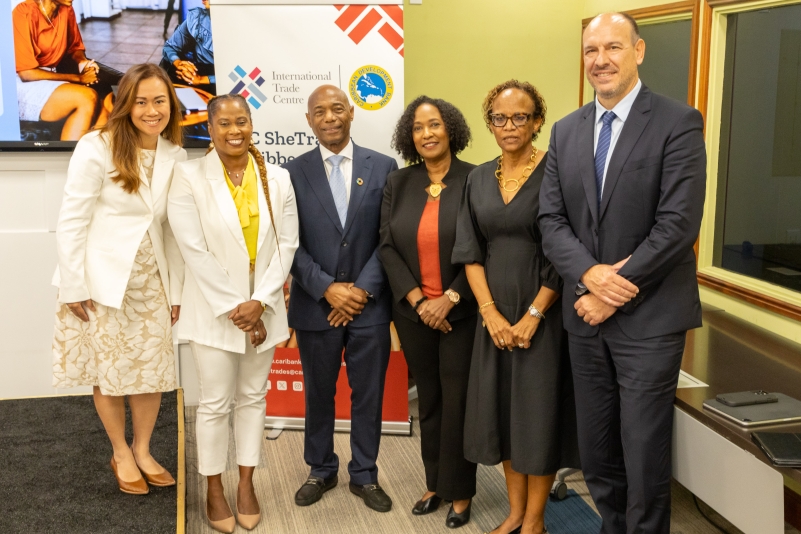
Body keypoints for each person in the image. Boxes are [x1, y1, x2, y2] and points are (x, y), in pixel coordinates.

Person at [538, 13, 707, 534]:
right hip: (584, 318)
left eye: (613, 47)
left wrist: (611, 293)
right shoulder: (567, 131)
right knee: (598, 447)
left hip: (650, 320)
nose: (601, 60)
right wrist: (590, 276)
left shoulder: (678, 122)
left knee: (643, 448)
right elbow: (551, 219)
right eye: (591, 50)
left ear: (638, 50)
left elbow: (677, 224)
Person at [52, 63, 186, 495]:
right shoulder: (97, 146)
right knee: (109, 371)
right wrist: (74, 284)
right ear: (126, 103)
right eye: (142, 101)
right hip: (102, 282)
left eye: (160, 101)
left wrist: (177, 291)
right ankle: (120, 452)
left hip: (153, 282)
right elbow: (72, 219)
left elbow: (173, 231)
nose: (152, 110)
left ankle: (143, 449)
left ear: (171, 104)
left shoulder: (176, 154)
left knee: (150, 371)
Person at [453, 80, 579, 534]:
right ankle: (514, 512)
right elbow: (469, 251)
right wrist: (488, 313)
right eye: (500, 118)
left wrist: (533, 315)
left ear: (538, 121)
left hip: (543, 312)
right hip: (494, 312)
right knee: (504, 415)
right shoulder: (477, 178)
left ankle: (536, 519)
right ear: (489, 124)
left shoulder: (558, 174)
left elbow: (565, 253)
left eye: (520, 116)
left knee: (537, 416)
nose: (510, 126)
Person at [168, 93, 298, 533]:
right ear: (210, 126)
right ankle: (214, 488)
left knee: (253, 398)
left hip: (264, 308)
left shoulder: (277, 177)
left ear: (252, 124)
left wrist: (259, 302)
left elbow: (287, 245)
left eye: (241, 121)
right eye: (224, 123)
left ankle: (245, 482)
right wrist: (235, 308)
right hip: (213, 311)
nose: (234, 130)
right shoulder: (188, 175)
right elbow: (193, 249)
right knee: (214, 403)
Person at [284, 85, 398, 513]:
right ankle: (321, 468)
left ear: (351, 112)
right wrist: (326, 287)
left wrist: (361, 290)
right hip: (316, 305)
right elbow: (286, 241)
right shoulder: (291, 173)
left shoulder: (384, 166)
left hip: (369, 306)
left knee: (367, 393)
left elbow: (390, 236)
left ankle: (365, 475)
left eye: (337, 109)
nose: (329, 117)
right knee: (318, 392)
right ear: (309, 120)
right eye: (319, 112)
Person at [379, 95, 477, 528]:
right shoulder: (398, 184)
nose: (426, 134)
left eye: (434, 125)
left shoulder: (478, 180)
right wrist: (418, 300)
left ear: (450, 129)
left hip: (461, 311)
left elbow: (484, 249)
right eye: (418, 128)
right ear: (409, 136)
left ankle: (461, 491)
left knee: (458, 402)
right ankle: (434, 482)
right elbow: (386, 247)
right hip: (414, 312)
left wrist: (450, 298)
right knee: (430, 402)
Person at [12, 0, 105, 140]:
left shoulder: (66, 9)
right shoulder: (23, 12)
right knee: (86, 97)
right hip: (21, 83)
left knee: (107, 102)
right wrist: (78, 78)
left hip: (51, 77)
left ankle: (88, 158)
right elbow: (26, 73)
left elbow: (75, 48)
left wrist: (83, 62)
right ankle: (72, 159)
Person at [160, 0, 216, 95]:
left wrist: (203, 79)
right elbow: (170, 46)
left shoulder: (242, 26)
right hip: (196, 70)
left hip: (222, 81)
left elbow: (243, 71)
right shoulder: (197, 18)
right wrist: (179, 64)